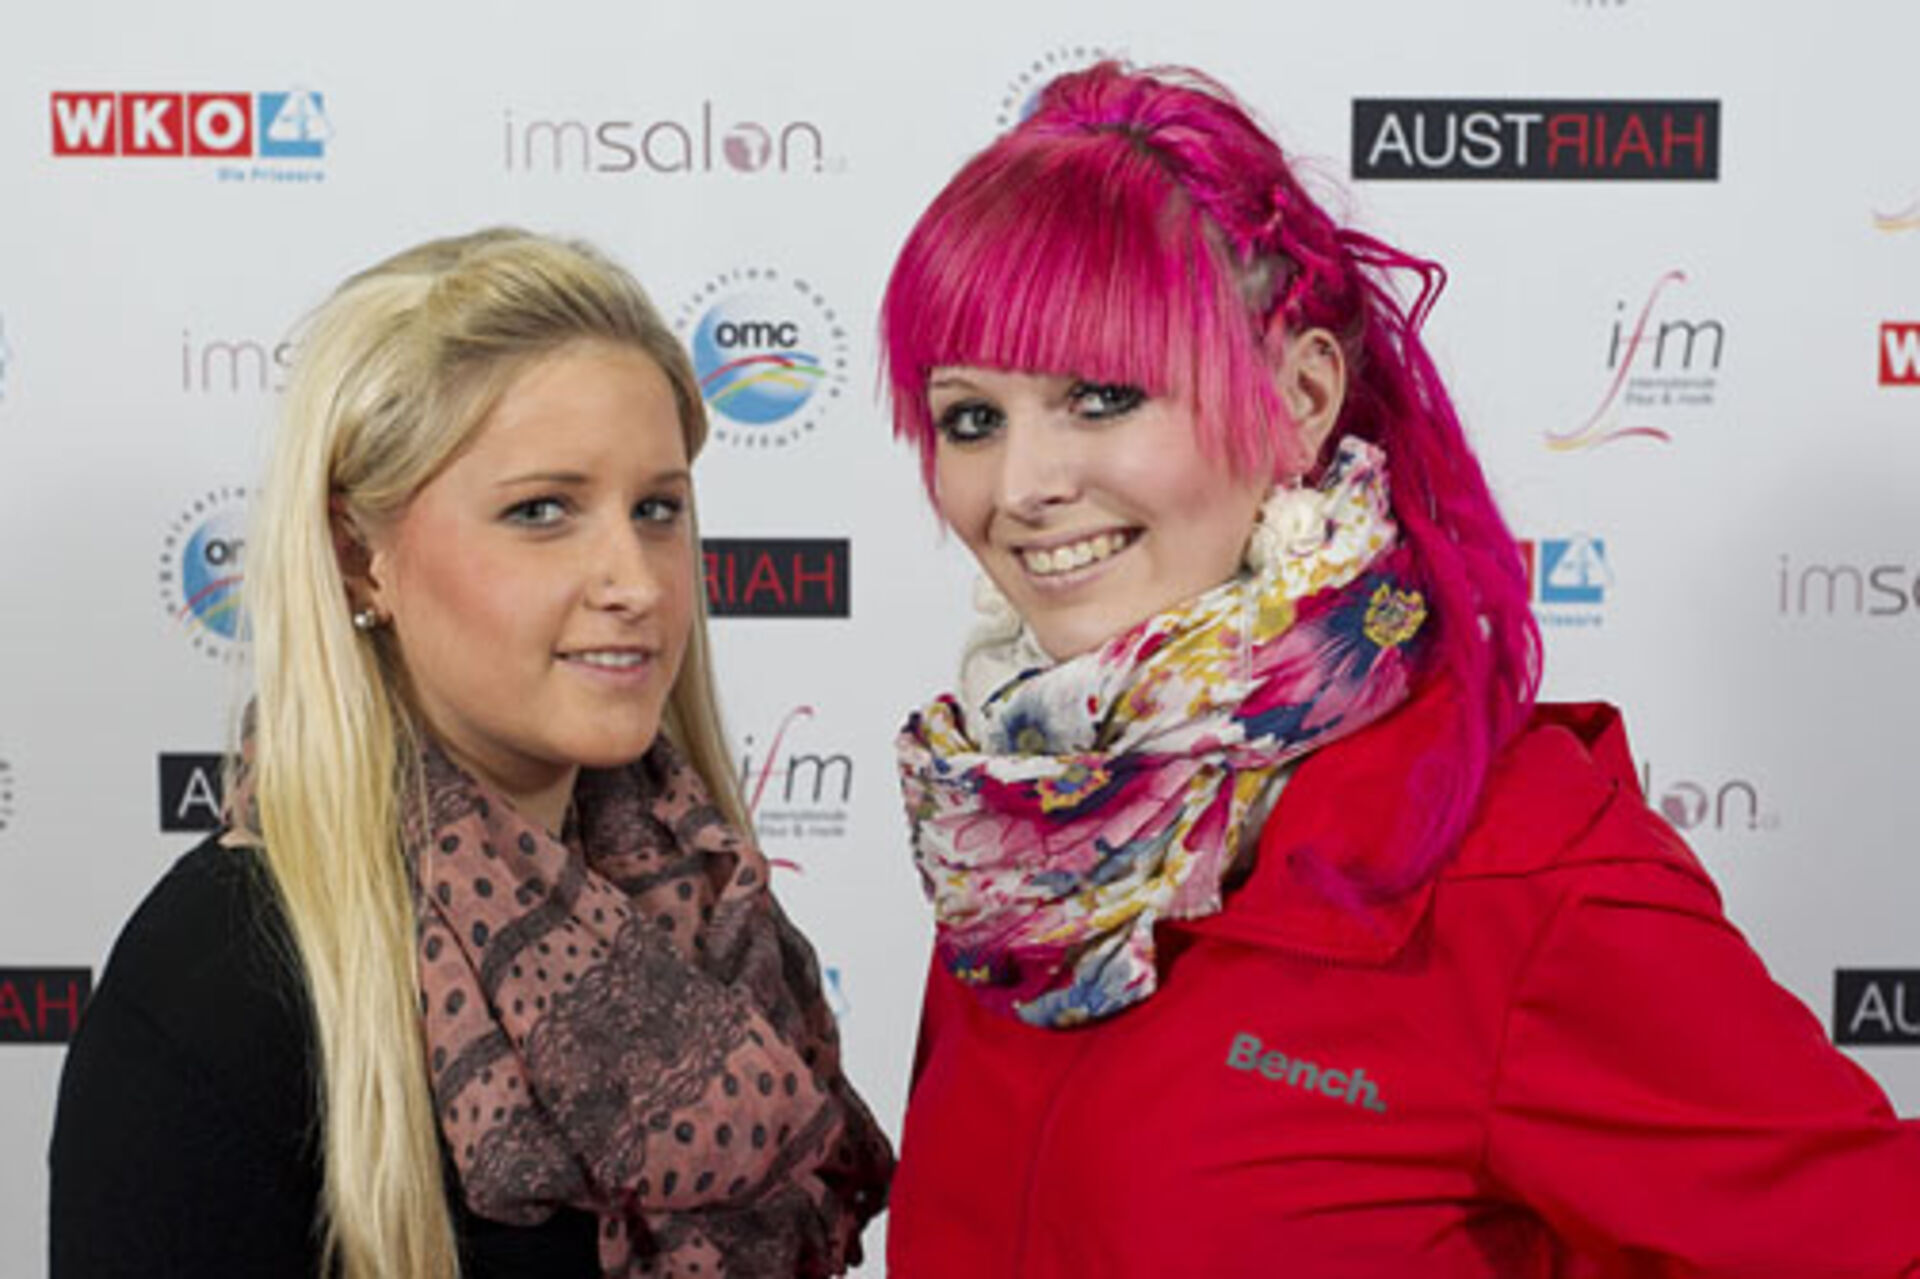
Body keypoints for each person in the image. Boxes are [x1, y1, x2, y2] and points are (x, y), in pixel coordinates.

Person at [879, 62, 1920, 1277]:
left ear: (1300, 395)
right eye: (972, 418)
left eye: (1102, 397)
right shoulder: (1012, 834)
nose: (1019, 487)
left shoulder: (1515, 862)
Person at [50, 229, 892, 1278]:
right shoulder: (220, 985)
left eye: (657, 509)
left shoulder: (710, 909)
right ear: (360, 560)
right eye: (542, 511)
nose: (635, 580)